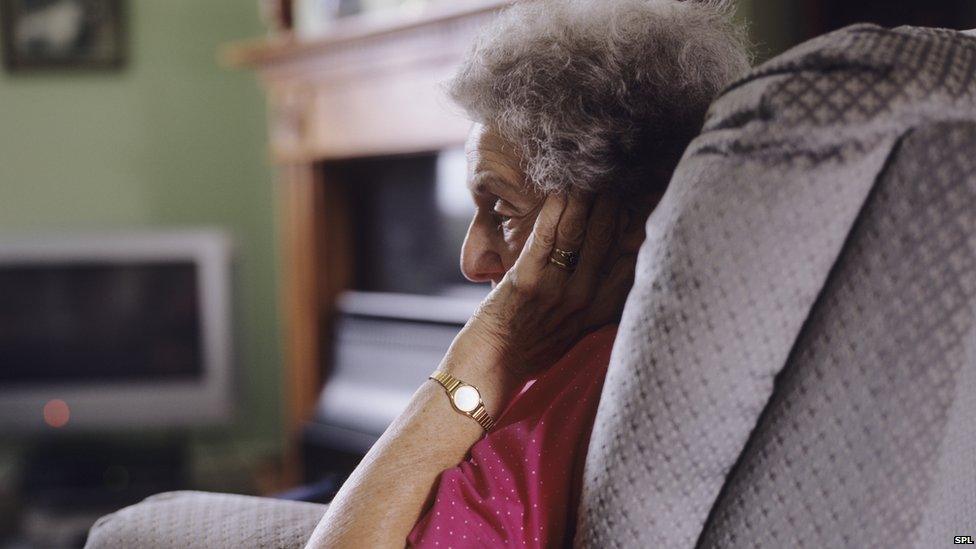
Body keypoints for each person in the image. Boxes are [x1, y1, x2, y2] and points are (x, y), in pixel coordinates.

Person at [304, 0, 749, 547]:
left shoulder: (590, 384)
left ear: (625, 219)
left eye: (502, 210)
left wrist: (493, 345)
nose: (471, 260)